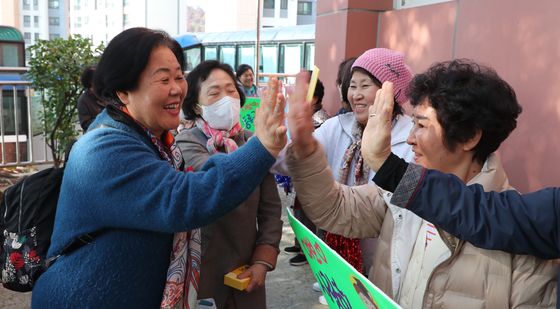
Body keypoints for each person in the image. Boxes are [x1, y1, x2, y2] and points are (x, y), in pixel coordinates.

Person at [31, 27, 287, 308]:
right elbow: (184, 199)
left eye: (179, 76)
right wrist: (261, 147)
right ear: (123, 91)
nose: (177, 88)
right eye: (163, 79)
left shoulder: (159, 142)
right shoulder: (103, 148)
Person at [286, 60, 557, 307]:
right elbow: (335, 209)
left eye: (422, 126)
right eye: (412, 124)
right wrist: (306, 152)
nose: (410, 138)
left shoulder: (523, 237)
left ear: (470, 137)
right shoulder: (399, 193)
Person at [176, 60, 283, 309]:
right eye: (214, 92)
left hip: (246, 271)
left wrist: (262, 261)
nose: (226, 98)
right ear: (196, 105)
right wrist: (261, 148)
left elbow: (270, 209)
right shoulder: (187, 143)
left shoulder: (251, 141)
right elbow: (216, 182)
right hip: (203, 271)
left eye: (231, 90)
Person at [310, 48, 414, 278]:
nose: (355, 94)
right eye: (352, 86)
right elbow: (293, 161)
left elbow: (412, 198)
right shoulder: (336, 126)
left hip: (390, 254)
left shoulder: (412, 136)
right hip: (341, 248)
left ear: (390, 92)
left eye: (365, 86)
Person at [76, 65, 107, 131]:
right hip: (99, 136)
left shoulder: (109, 93)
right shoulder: (83, 100)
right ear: (91, 81)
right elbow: (86, 124)